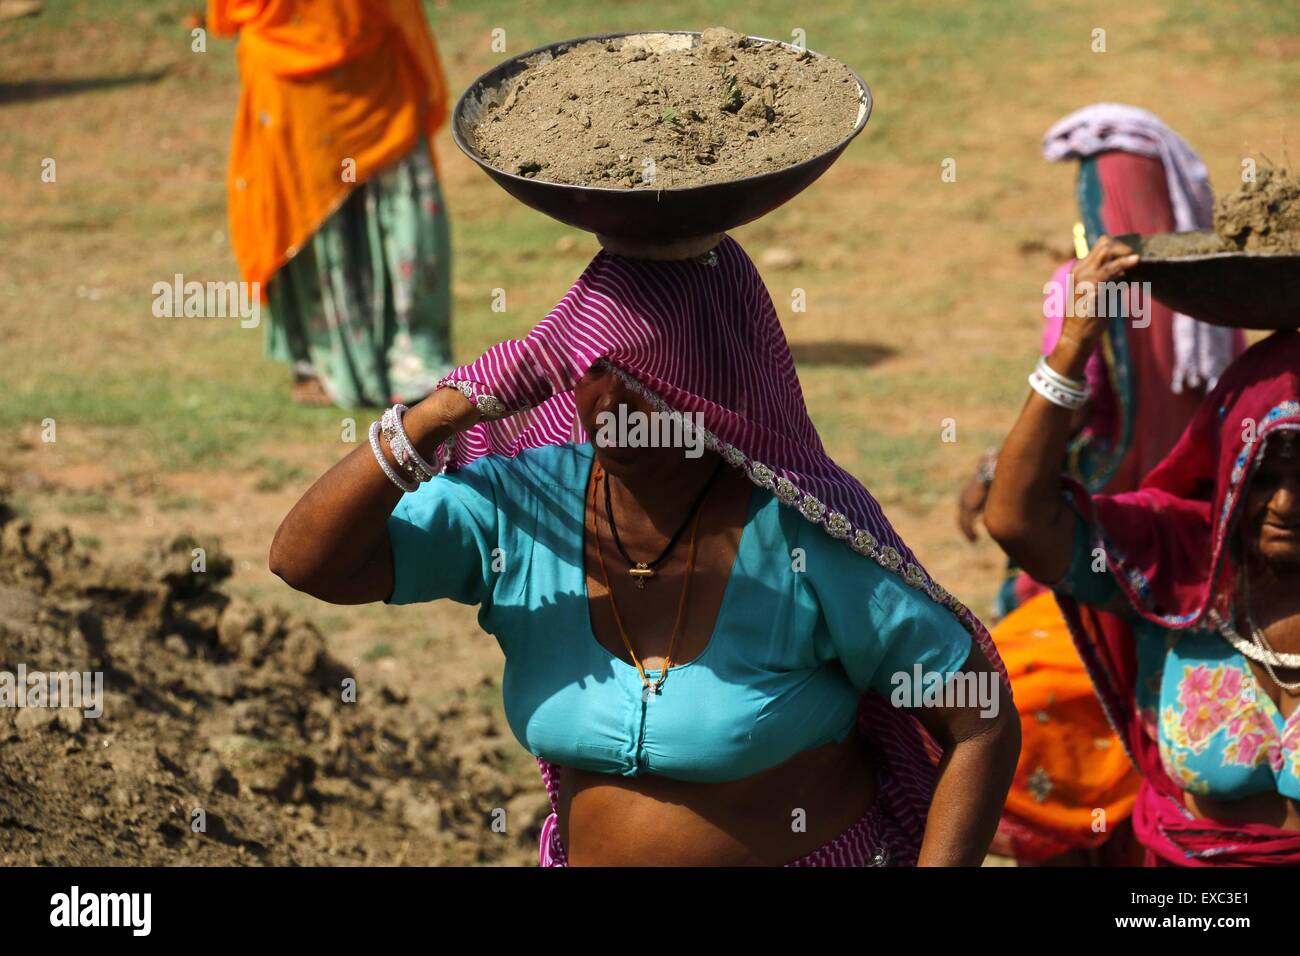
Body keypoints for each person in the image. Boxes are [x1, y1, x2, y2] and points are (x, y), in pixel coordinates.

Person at [269, 232, 1020, 866]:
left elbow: (980, 717)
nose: (610, 400)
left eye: (645, 374)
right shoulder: (522, 507)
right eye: (593, 365)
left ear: (713, 383)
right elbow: (307, 561)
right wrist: (443, 411)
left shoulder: (800, 535)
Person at [957, 106, 1244, 864]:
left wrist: (993, 470)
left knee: (1002, 688)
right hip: (1195, 539)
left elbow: (1057, 457)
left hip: (1108, 551)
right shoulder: (1213, 316)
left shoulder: (1074, 291)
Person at [986, 232, 1300, 866]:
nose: (1286, 505)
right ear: (1226, 463)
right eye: (1263, 473)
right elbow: (1019, 520)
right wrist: (1074, 346)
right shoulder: (1177, 559)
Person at [210, 0, 454, 407]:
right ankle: (356, 362)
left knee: (393, 207)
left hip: (364, 60)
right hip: (308, 71)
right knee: (309, 216)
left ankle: (366, 361)